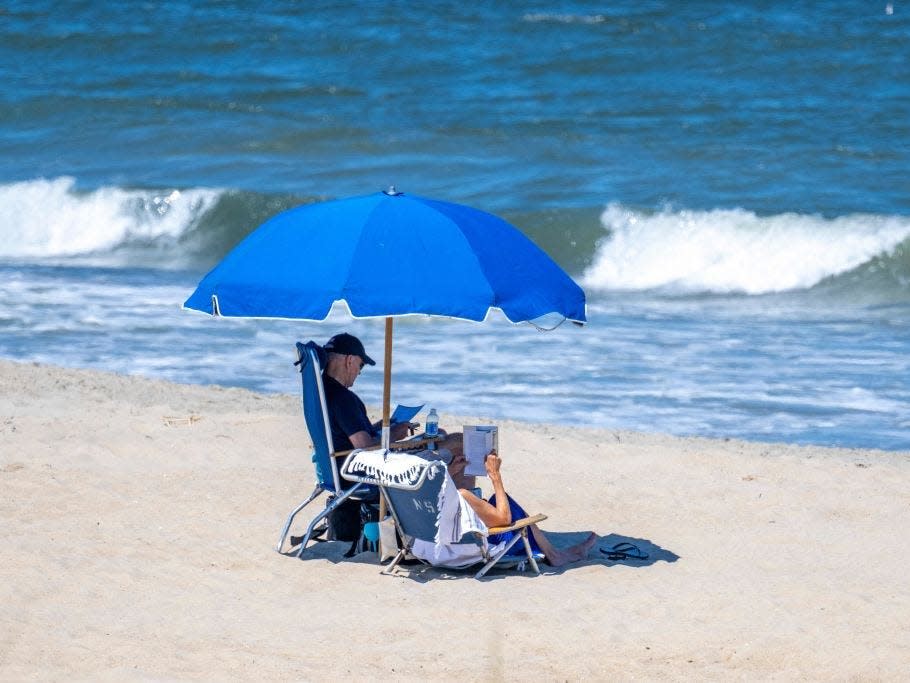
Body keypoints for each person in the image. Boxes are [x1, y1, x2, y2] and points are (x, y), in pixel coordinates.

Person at [321, 332, 474, 487]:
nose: (359, 372)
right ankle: (462, 503)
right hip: (365, 472)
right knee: (459, 443)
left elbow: (345, 434)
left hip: (342, 466)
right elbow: (366, 449)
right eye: (361, 365)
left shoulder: (323, 392)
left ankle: (448, 491)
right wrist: (394, 434)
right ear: (349, 360)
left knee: (439, 434)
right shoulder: (342, 398)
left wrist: (379, 427)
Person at [458, 451, 598, 567]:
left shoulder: (438, 497)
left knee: (495, 501)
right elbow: (504, 519)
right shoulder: (461, 495)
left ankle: (553, 553)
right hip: (491, 547)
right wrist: (495, 475)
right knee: (504, 502)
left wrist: (452, 469)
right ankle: (554, 555)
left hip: (452, 550)